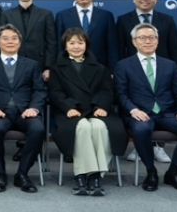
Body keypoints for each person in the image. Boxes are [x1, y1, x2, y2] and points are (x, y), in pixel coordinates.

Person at [115, 23, 177, 192]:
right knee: (141, 130)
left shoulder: (170, 65)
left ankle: (173, 172)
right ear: (134, 42)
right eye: (142, 38)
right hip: (139, 113)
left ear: (157, 40)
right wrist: (133, 110)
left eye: (151, 37)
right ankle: (151, 172)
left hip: (167, 113)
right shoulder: (123, 65)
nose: (148, 41)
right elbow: (120, 94)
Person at [48, 28, 127, 196]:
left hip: (95, 109)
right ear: (65, 46)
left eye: (80, 42)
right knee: (83, 127)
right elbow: (55, 93)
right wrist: (69, 107)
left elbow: (107, 91)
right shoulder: (56, 68)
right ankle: (82, 175)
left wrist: (101, 107)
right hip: (69, 112)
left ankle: (96, 175)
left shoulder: (100, 67)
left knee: (99, 127)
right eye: (71, 43)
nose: (76, 46)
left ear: (87, 45)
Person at [116, 0, 177, 164]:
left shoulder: (167, 20)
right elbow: (119, 48)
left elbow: (174, 48)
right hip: (134, 74)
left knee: (161, 108)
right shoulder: (123, 20)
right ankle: (140, 147)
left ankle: (158, 147)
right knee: (140, 112)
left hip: (162, 73)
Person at [0, 24, 46, 193]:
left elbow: (40, 90)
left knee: (38, 129)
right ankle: (0, 174)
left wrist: (34, 108)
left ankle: (22, 174)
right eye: (5, 38)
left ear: (20, 42)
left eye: (14, 38)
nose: (10, 41)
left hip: (25, 112)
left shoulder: (32, 65)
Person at [55, 0, 118, 71]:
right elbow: (59, 45)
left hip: (100, 67)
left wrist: (113, 70)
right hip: (70, 68)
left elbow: (112, 46)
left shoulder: (106, 16)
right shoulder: (62, 16)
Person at [1, 0, 56, 79]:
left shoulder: (45, 14)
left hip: (40, 63)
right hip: (14, 62)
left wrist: (48, 67)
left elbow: (51, 42)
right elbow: (2, 41)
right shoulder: (6, 15)